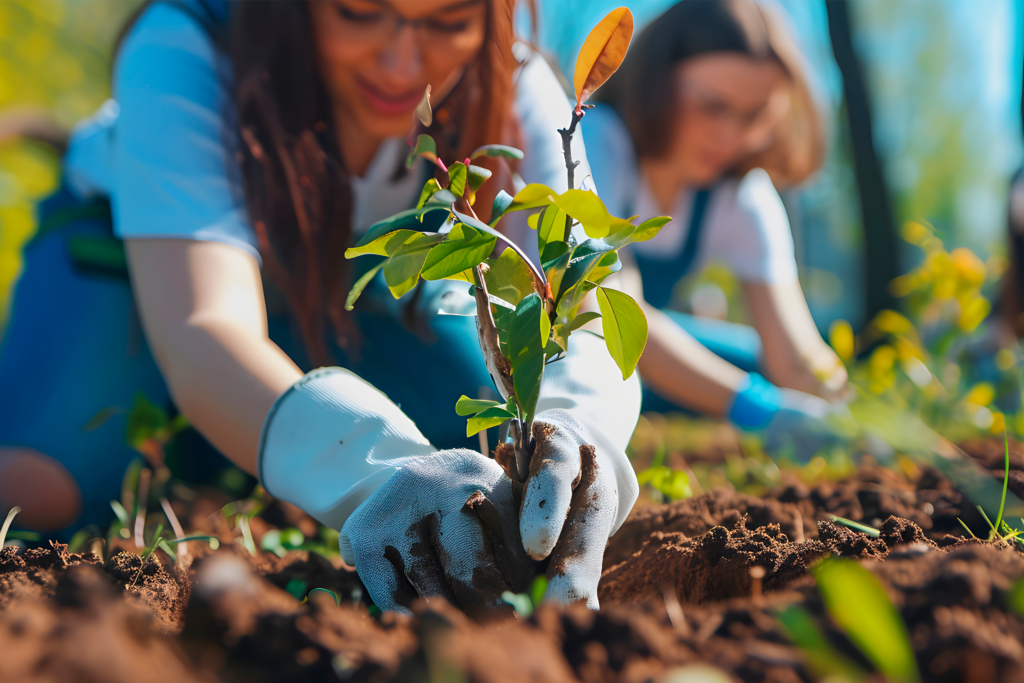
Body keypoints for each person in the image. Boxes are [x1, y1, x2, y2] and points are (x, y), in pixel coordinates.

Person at [0, 0, 640, 615]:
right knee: (36, 494)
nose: (400, 64)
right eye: (359, 13)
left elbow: (582, 288)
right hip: (139, 276)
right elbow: (206, 325)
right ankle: (196, 435)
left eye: (446, 22)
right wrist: (377, 473)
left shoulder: (513, 81)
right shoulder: (190, 41)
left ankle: (238, 437)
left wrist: (582, 437)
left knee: (475, 429)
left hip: (337, 302)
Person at [582, 0, 848, 460]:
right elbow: (614, 312)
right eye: (711, 106)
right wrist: (756, 407)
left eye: (754, 116)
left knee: (752, 358)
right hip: (573, 348)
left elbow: (794, 352)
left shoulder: (739, 194)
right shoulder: (598, 142)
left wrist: (855, 415)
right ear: (656, 85)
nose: (730, 136)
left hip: (641, 364)